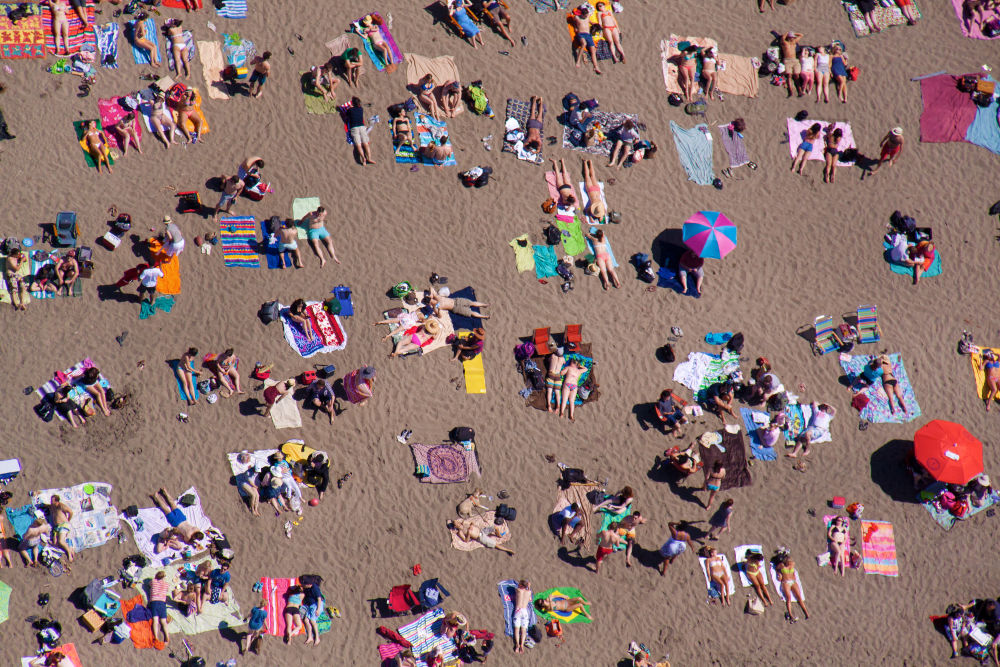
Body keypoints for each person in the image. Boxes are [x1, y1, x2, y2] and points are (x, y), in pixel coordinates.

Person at [450, 515, 515, 555]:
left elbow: (472, 522)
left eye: (458, 522)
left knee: (495, 528)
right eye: (457, 524)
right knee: (495, 544)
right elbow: (466, 540)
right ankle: (508, 550)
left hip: (481, 530)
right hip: (480, 537)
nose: (458, 524)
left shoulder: (464, 523)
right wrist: (469, 534)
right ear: (455, 527)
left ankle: (500, 535)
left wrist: (472, 525)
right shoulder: (460, 532)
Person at [775, 553, 809, 621]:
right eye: (788, 561)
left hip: (793, 581)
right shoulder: (781, 565)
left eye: (790, 561)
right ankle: (790, 614)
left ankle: (806, 612)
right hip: (785, 582)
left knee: (799, 597)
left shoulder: (792, 564)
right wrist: (779, 574)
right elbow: (776, 568)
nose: (790, 562)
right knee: (789, 598)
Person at [570, 5, 601, 75]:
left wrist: (597, 25)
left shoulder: (588, 17)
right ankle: (578, 61)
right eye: (585, 15)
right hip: (581, 34)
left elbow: (592, 22)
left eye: (587, 15)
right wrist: (575, 27)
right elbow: (573, 20)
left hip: (588, 35)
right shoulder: (577, 18)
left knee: (593, 50)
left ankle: (596, 66)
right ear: (582, 14)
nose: (586, 16)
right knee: (584, 44)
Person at [346, 96, 376, 166]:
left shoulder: (350, 110)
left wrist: (350, 107)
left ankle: (363, 158)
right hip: (362, 127)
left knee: (358, 145)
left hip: (354, 128)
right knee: (365, 144)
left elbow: (347, 115)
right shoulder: (361, 109)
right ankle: (369, 158)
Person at [48, 495, 75, 564]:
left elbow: (71, 512)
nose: (51, 502)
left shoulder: (61, 506)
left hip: (63, 525)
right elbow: (47, 506)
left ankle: (69, 554)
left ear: (57, 501)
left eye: (52, 501)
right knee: (54, 543)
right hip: (57, 527)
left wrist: (68, 520)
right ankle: (70, 547)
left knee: (61, 541)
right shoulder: (52, 506)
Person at [301, 577, 326, 645]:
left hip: (316, 605)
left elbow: (319, 599)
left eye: (304, 584)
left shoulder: (315, 588)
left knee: (312, 621)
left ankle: (317, 638)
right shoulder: (306, 588)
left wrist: (318, 609)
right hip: (310, 606)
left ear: (308, 584)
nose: (303, 585)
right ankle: (310, 637)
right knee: (306, 620)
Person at [149, 571, 171, 643]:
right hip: (162, 603)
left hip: (154, 602)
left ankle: (156, 636)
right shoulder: (166, 584)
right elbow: (167, 590)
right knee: (163, 622)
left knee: (155, 621)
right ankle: (167, 636)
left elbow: (149, 585)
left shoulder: (153, 581)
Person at [780, 32, 803, 97]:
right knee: (789, 76)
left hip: (795, 60)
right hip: (787, 60)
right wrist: (787, 33)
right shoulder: (785, 43)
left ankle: (799, 90)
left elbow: (801, 35)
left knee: (796, 75)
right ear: (788, 38)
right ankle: (790, 91)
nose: (792, 38)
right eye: (791, 37)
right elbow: (782, 38)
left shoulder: (794, 42)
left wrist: (793, 33)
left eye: (793, 37)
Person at [4, 246, 28, 311]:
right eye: (17, 255)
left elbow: (25, 259)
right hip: (10, 274)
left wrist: (22, 258)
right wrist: (21, 261)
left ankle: (22, 303)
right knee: (14, 289)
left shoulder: (17, 257)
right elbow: (17, 268)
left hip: (16, 275)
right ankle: (16, 304)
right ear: (14, 254)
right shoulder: (10, 259)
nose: (18, 256)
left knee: (23, 286)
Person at [513, 579, 532, 653]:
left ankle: (517, 644)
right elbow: (527, 590)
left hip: (518, 611)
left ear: (520, 585)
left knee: (517, 630)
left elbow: (517, 589)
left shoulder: (518, 590)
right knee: (523, 630)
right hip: (525, 611)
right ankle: (522, 645)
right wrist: (529, 587)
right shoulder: (529, 592)